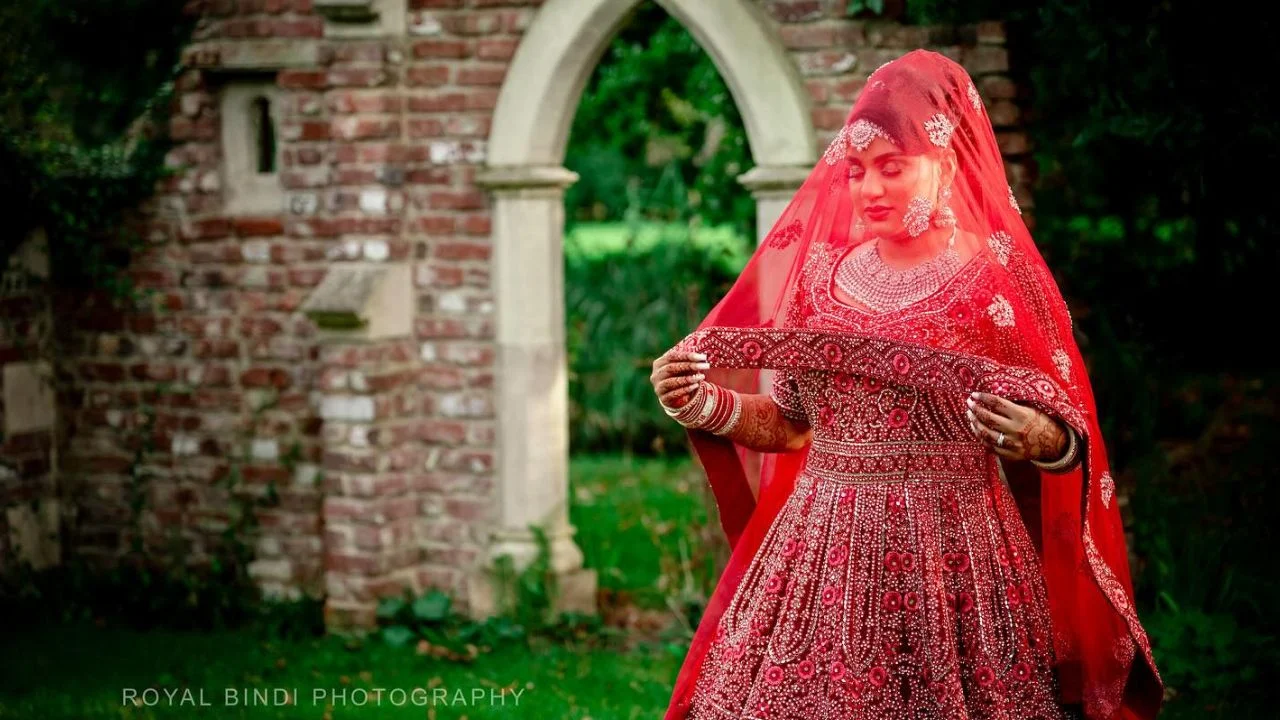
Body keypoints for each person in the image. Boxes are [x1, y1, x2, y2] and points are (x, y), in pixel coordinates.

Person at [649, 50, 1162, 720]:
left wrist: (1038, 434)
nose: (869, 188)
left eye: (894, 167)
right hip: (819, 560)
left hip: (957, 561)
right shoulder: (820, 279)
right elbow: (790, 423)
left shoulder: (995, 282)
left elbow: (1067, 429)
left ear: (947, 164)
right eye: (857, 170)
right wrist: (702, 401)